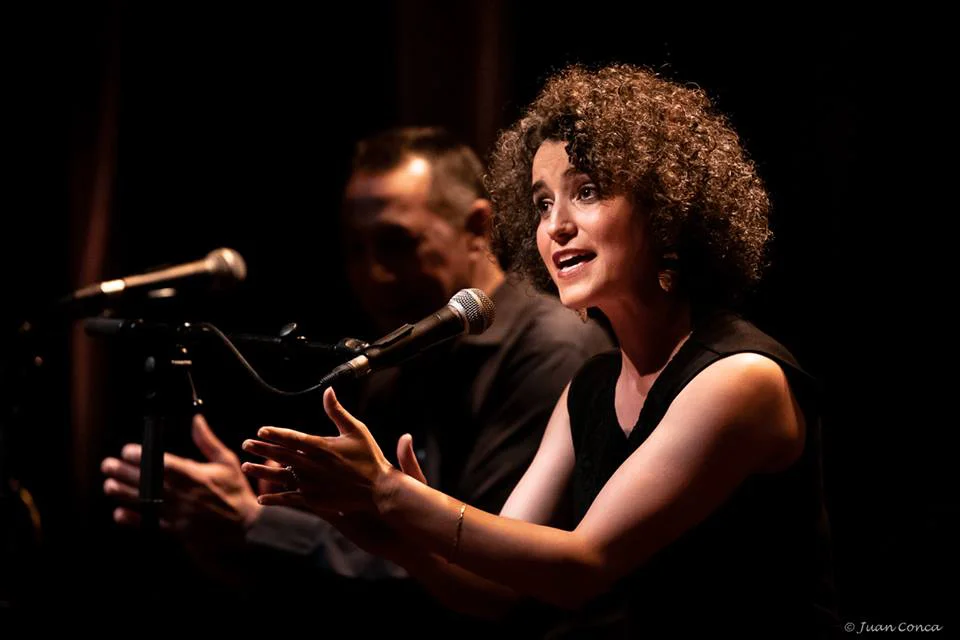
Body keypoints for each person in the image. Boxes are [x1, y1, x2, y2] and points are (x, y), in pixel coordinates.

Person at [240, 65, 838, 638]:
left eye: (588, 191)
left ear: (666, 210)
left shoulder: (739, 378)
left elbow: (582, 566)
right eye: (543, 201)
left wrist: (391, 492)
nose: (555, 226)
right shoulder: (593, 385)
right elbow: (503, 589)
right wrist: (391, 533)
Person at [100, 127, 612, 612]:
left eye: (395, 243)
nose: (372, 274)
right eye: (355, 249)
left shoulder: (550, 348)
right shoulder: (394, 354)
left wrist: (261, 525)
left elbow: (495, 580)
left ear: (478, 227)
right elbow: (365, 561)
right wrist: (227, 530)